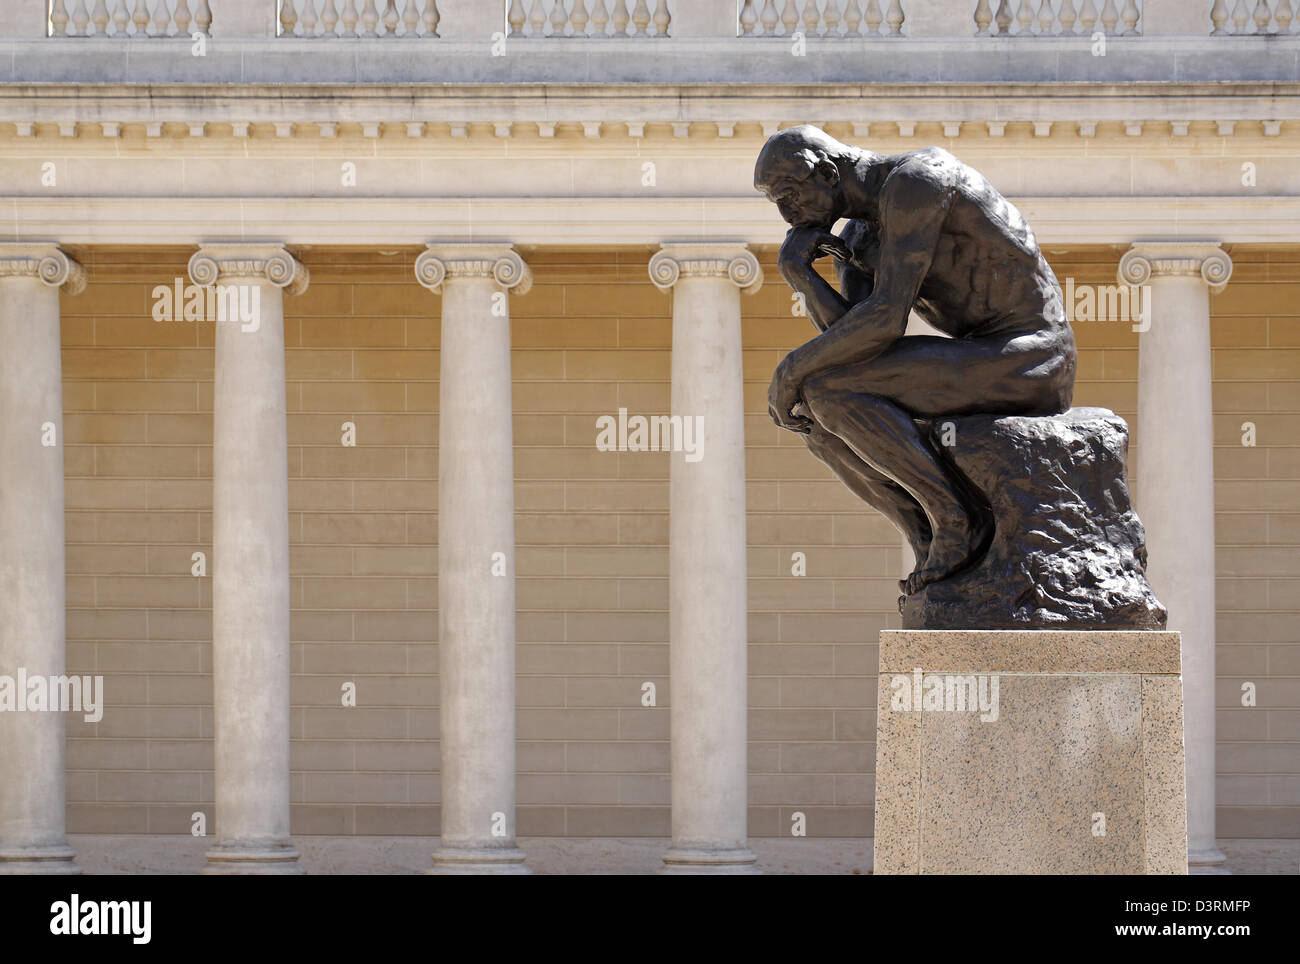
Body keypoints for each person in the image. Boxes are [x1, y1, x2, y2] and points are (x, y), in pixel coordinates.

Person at [754, 125, 1077, 593]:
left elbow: (885, 321)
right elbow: (852, 339)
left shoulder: (917, 181)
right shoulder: (858, 239)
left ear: (825, 172)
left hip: (1032, 354)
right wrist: (801, 276)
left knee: (827, 388)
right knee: (818, 415)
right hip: (980, 355)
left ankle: (956, 520)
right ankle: (929, 536)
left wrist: (790, 370)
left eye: (788, 196)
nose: (787, 216)